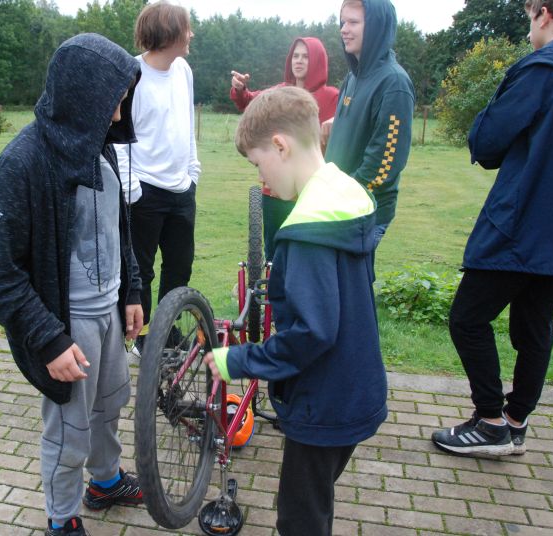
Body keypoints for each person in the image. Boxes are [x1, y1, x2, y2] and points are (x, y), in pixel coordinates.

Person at [0, 34, 144, 536]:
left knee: (110, 404)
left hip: (109, 312)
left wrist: (132, 290)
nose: (117, 115)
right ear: (82, 96)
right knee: (69, 429)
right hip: (66, 326)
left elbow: (119, 228)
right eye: (111, 102)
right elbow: (0, 276)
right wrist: (49, 340)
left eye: (122, 102)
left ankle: (106, 482)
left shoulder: (99, 147)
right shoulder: (21, 164)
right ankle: (61, 517)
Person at [205, 86, 388, 535]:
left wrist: (237, 359)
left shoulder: (307, 231)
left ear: (281, 146)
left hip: (322, 402)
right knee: (314, 499)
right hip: (355, 388)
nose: (262, 177)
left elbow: (313, 332)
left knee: (300, 518)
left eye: (258, 162)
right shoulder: (347, 198)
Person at [432, 0, 553, 457]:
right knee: (534, 327)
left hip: (518, 224)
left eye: (529, 17)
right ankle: (516, 423)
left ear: (544, 14)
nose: (529, 29)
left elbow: (488, 142)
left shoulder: (541, 70)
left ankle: (491, 422)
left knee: (467, 318)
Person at [115, 0, 201, 354]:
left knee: (180, 266)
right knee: (142, 272)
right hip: (144, 192)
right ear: (168, 34)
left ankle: (167, 330)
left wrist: (193, 172)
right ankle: (144, 336)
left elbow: (187, 123)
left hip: (182, 189)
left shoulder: (183, 70)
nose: (191, 34)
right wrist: (132, 190)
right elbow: (118, 136)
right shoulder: (131, 75)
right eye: (186, 29)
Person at [230, 37, 340, 259]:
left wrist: (336, 121)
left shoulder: (332, 97)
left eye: (305, 56)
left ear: (318, 61)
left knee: (308, 251)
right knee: (275, 250)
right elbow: (251, 102)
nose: (299, 61)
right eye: (295, 56)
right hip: (275, 192)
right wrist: (240, 90)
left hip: (310, 190)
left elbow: (349, 122)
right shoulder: (281, 92)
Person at [323, 0, 415, 250]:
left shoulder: (394, 83)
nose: (344, 29)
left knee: (349, 277)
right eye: (343, 22)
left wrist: (345, 196)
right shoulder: (352, 78)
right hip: (336, 207)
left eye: (353, 22)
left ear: (376, 27)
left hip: (363, 214)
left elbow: (385, 162)